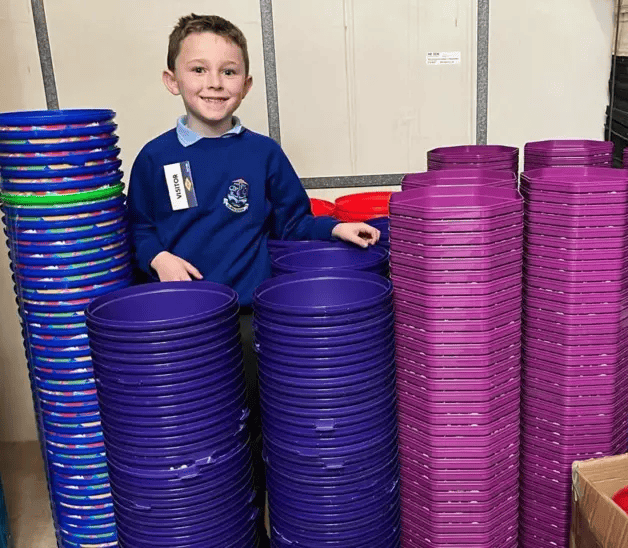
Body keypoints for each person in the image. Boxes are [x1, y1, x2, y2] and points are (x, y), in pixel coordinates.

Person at [125, 13, 380, 544]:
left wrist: (335, 228)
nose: (213, 82)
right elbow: (139, 228)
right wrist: (158, 259)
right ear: (172, 80)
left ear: (245, 85)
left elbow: (290, 221)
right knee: (204, 436)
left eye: (228, 71)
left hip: (250, 321)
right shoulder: (155, 157)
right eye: (198, 69)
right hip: (186, 327)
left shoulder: (262, 153)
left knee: (264, 431)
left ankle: (263, 526)